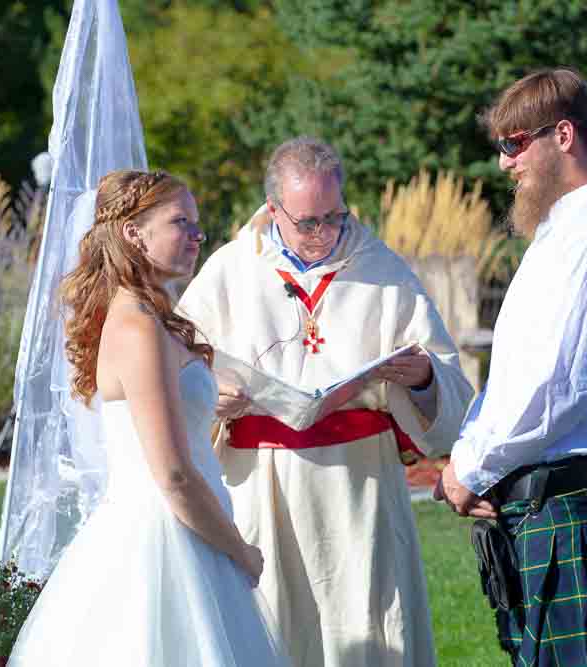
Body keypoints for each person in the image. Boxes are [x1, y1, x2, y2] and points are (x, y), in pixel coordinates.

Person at [177, 137, 474, 667]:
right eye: (308, 222)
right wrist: (212, 397)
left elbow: (449, 384)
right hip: (260, 483)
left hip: (359, 487)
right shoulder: (229, 270)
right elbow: (179, 368)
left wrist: (424, 376)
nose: (324, 234)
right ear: (273, 211)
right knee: (268, 625)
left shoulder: (384, 270)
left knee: (367, 621)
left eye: (335, 217)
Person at [8, 170, 288, 666]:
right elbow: (174, 476)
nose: (197, 235)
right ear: (134, 233)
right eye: (181, 222)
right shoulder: (138, 326)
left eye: (197, 223)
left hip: (184, 528)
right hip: (165, 537)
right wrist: (240, 551)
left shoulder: (149, 317)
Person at [435, 68, 587, 666]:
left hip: (570, 521)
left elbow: (552, 390)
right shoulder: (558, 239)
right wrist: (470, 459)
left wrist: (470, 469)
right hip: (545, 517)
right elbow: (514, 376)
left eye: (515, 144)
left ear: (563, 135)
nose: (506, 163)